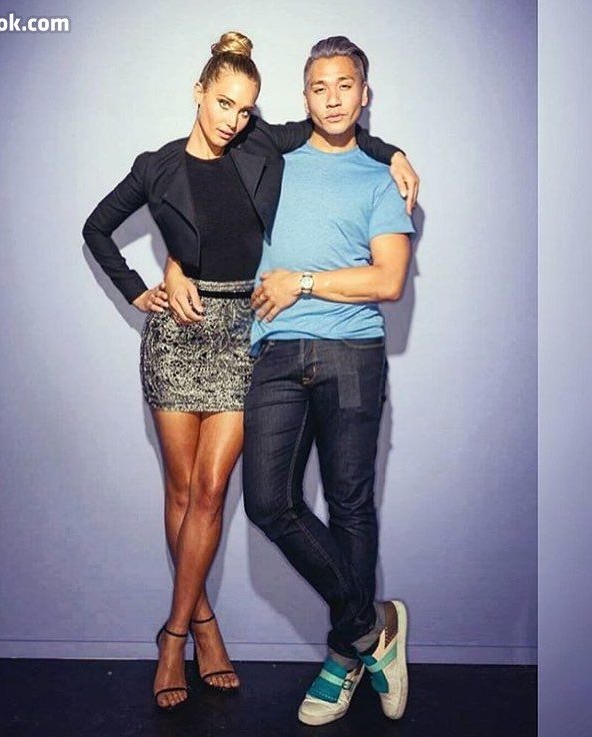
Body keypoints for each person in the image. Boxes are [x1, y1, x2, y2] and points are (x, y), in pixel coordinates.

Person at [82, 31, 418, 711]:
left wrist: (394, 152)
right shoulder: (173, 163)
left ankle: (229, 637)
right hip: (199, 335)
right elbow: (109, 227)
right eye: (224, 103)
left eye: (244, 108)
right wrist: (151, 279)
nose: (234, 118)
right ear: (199, 93)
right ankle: (203, 627)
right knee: (196, 492)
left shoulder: (267, 147)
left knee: (231, 493)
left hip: (257, 331)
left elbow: (338, 135)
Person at [241, 35, 414, 726]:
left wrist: (303, 281)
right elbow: (200, 189)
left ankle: (342, 658)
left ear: (364, 95)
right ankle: (372, 627)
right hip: (277, 351)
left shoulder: (379, 180)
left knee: (350, 507)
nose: (333, 98)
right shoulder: (272, 162)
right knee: (268, 501)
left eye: (345, 85)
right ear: (304, 97)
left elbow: (389, 279)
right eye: (320, 87)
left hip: (351, 354)